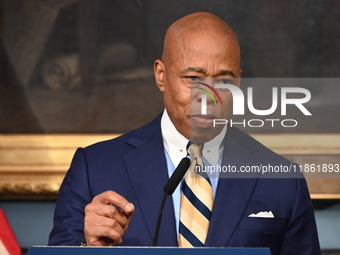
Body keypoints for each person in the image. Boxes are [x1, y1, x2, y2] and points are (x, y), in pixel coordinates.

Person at [49, 12, 321, 254]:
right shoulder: (94, 169)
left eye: (224, 80)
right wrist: (87, 248)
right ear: (160, 75)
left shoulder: (284, 181)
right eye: (193, 79)